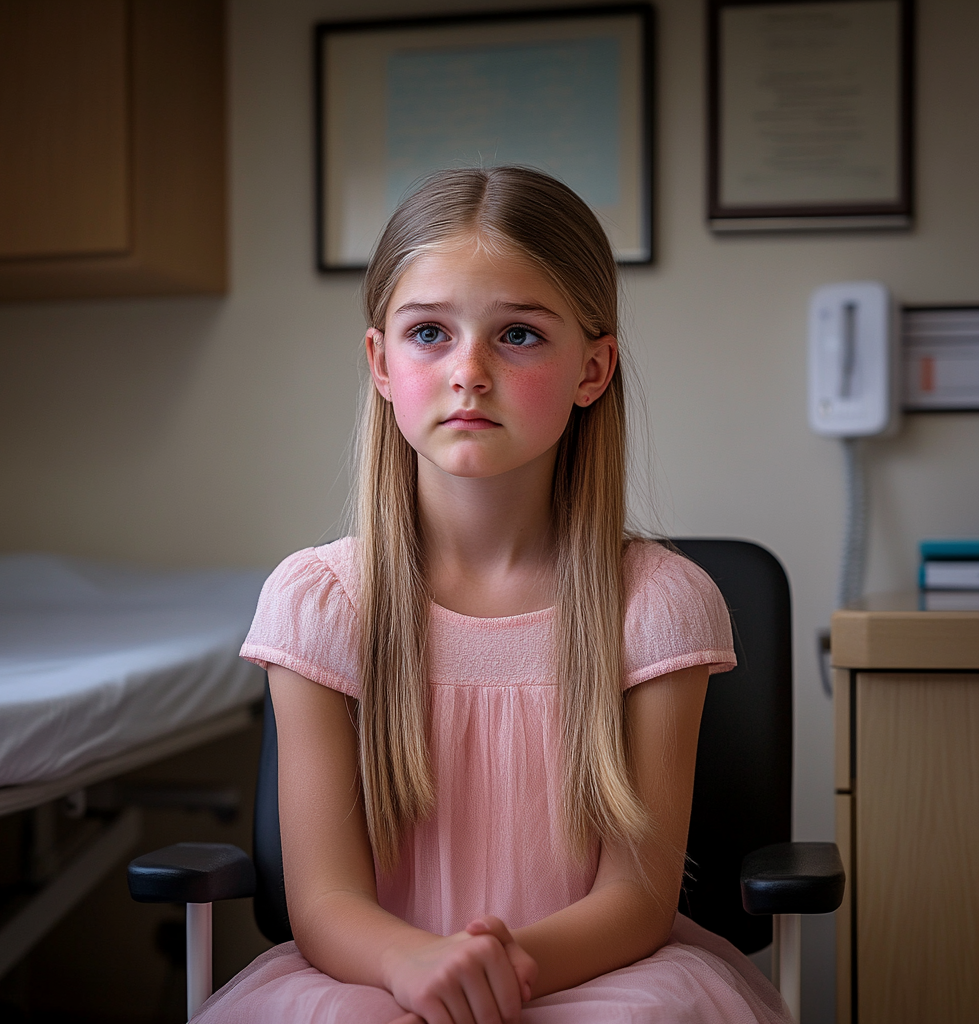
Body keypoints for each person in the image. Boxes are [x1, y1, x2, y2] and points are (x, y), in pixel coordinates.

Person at [196, 167, 791, 1023]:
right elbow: (323, 905)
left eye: (518, 335)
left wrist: (502, 967)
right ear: (381, 364)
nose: (469, 371)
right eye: (430, 332)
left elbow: (638, 894)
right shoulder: (318, 601)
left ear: (593, 369)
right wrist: (419, 969)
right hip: (374, 975)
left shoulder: (659, 604)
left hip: (592, 975)